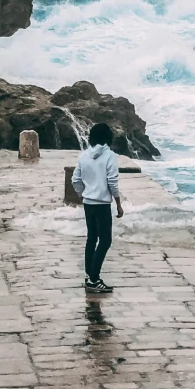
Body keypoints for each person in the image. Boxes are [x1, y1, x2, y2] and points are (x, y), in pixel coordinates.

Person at [71, 122, 123, 293]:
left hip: (88, 202)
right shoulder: (110, 156)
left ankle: (89, 276)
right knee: (105, 240)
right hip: (102, 204)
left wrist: (82, 194)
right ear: (108, 137)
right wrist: (118, 203)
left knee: (92, 238)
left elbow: (75, 179)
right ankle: (94, 279)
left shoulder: (84, 155)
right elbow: (112, 182)